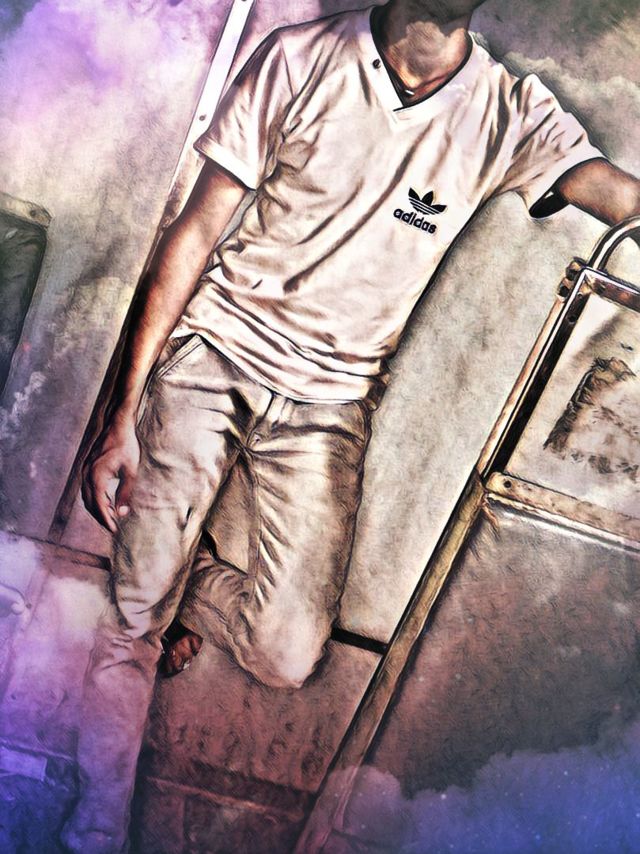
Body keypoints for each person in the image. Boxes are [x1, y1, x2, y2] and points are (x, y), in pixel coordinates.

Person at [62, 0, 640, 851]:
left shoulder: (508, 111)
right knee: (133, 618)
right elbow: (194, 234)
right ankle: (92, 833)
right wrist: (122, 415)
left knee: (287, 654)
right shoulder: (300, 57)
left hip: (329, 407)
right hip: (214, 356)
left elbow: (622, 198)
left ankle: (189, 579)